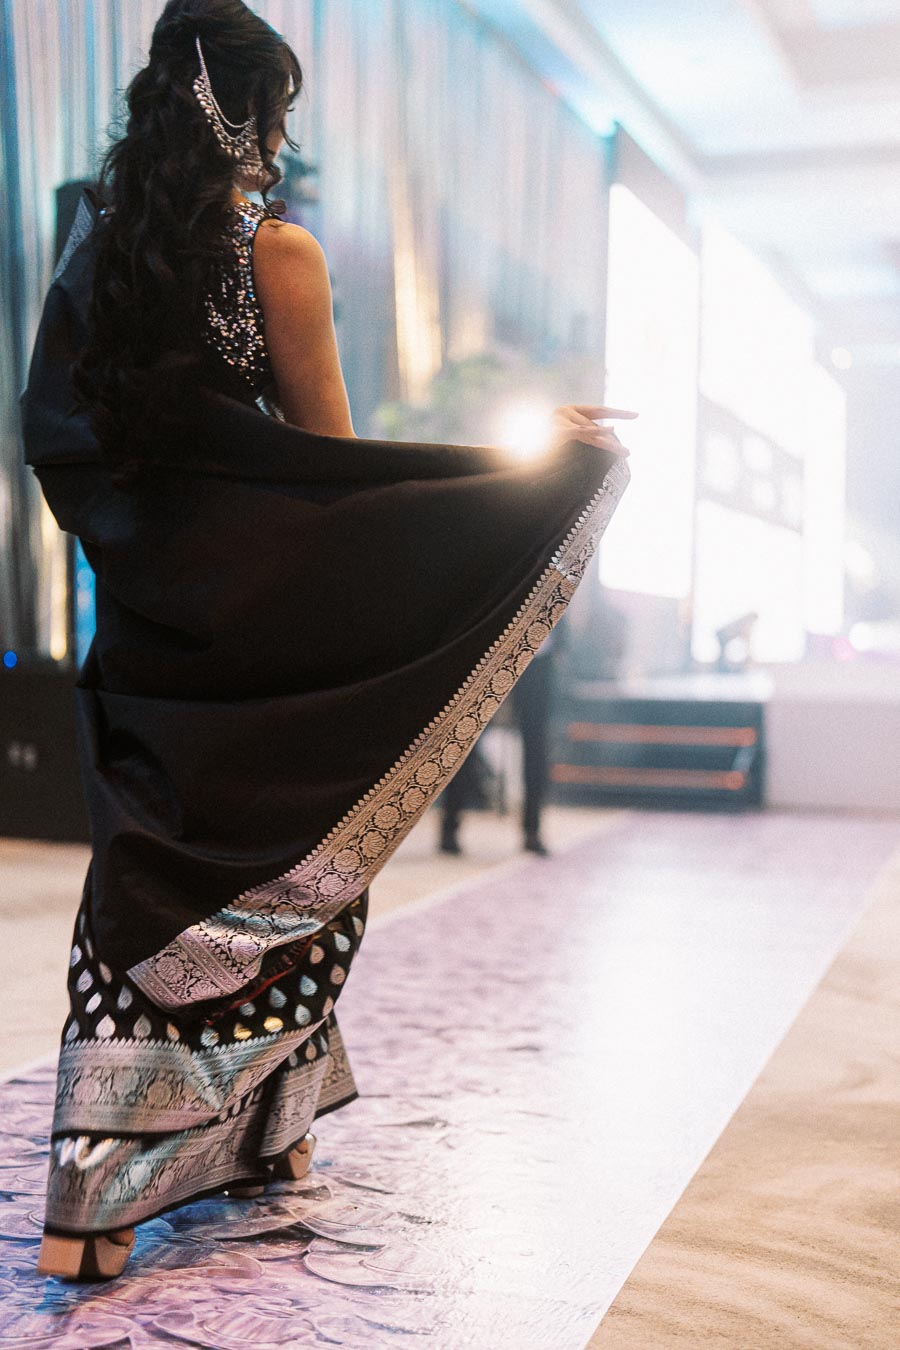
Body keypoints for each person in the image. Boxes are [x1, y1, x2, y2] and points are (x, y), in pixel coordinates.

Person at [21, 0, 635, 1281]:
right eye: (278, 114)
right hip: (265, 630)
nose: (284, 143)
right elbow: (332, 470)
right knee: (303, 869)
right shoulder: (276, 254)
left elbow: (67, 438)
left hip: (144, 624)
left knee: (146, 881)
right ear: (244, 119)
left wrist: (153, 548)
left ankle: (113, 1190)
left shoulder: (97, 250)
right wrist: (527, 474)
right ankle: (251, 1143)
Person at [439, 619, 564, 856]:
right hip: (493, 647)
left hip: (539, 653)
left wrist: (560, 644)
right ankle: (449, 826)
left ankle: (532, 831)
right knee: (466, 736)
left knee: (536, 745)